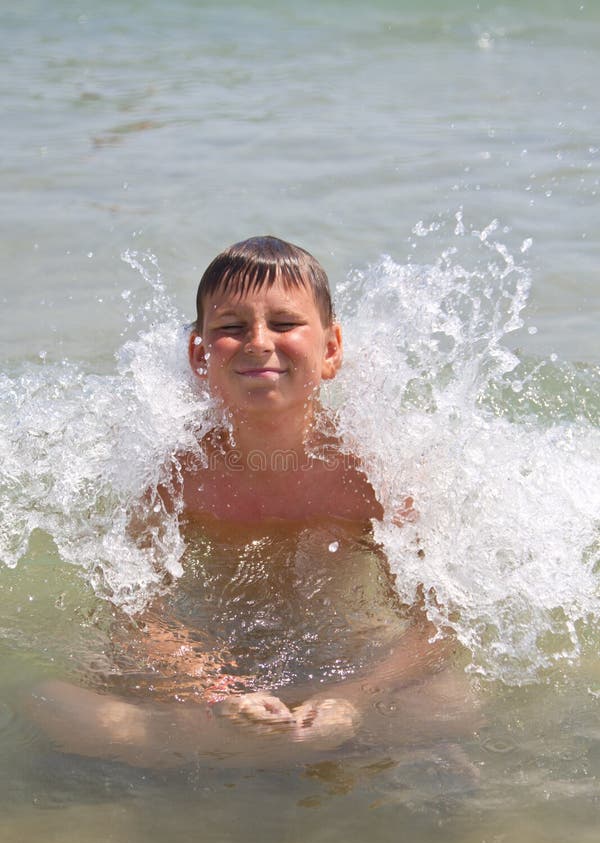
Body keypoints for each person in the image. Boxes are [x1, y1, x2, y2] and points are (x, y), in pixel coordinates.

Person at [25, 236, 475, 769]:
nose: (259, 342)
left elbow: (439, 624)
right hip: (213, 659)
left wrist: (357, 697)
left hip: (339, 663)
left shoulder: (376, 469)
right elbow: (133, 611)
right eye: (231, 328)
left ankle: (251, 753)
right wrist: (212, 692)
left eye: (285, 324)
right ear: (199, 353)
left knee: (458, 703)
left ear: (331, 350)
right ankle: (287, 749)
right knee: (46, 700)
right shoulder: (176, 469)